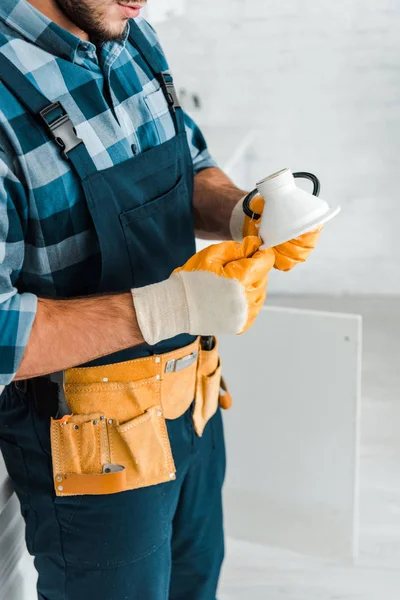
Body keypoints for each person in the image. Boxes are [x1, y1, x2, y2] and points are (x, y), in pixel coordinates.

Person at [0, 1, 321, 598]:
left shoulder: (129, 34)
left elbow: (189, 164)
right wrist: (172, 306)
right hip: (93, 453)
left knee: (197, 581)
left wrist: (244, 211)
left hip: (193, 400)